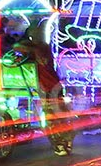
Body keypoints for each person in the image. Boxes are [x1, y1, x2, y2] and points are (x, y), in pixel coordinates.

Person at [7, 20, 74, 156]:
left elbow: (23, 48)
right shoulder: (34, 47)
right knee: (52, 119)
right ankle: (60, 143)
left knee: (56, 118)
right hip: (45, 88)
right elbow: (17, 46)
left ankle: (63, 142)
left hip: (52, 88)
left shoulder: (42, 47)